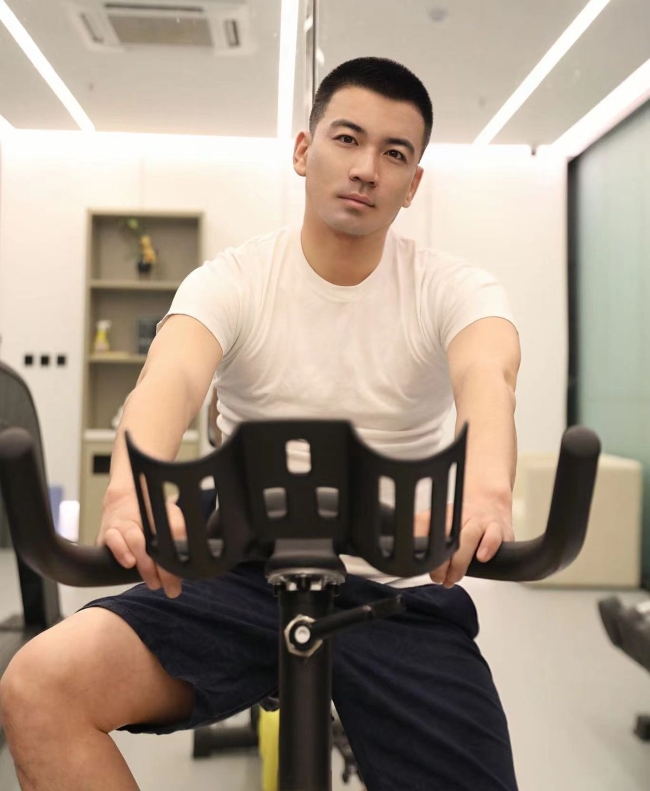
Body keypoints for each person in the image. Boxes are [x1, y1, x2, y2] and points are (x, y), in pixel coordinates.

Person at [0, 57, 521, 790]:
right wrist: (130, 493)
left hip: (396, 588)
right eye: (348, 138)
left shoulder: (454, 288)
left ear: (413, 184)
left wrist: (486, 494)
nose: (366, 168)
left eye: (395, 153)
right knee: (40, 687)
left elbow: (488, 376)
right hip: (244, 576)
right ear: (305, 151)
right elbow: (171, 378)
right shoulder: (235, 278)